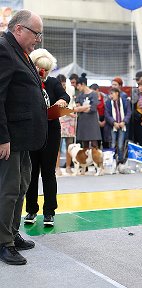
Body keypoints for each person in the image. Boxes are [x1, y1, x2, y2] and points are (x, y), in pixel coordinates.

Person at [0, 10, 47, 265]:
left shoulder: (21, 52)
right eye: (35, 33)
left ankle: (12, 232)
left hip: (24, 138)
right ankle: (3, 242)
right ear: (19, 29)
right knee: (7, 191)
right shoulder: (4, 50)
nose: (38, 39)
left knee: (20, 187)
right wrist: (2, 137)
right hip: (10, 139)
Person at [24, 49, 70, 227]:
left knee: (49, 173)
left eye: (45, 69)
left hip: (51, 133)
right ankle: (31, 210)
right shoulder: (27, 83)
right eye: (38, 67)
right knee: (32, 173)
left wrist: (62, 101)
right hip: (32, 132)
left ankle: (49, 212)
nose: (41, 72)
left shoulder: (52, 82)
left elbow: (64, 95)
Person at [55, 74, 76, 176]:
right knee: (57, 146)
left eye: (64, 84)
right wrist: (68, 112)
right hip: (59, 119)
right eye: (61, 85)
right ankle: (57, 167)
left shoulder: (71, 90)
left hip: (70, 120)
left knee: (70, 145)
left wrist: (73, 110)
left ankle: (68, 166)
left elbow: (73, 103)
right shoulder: (54, 90)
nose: (63, 87)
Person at [74, 73, 102, 149]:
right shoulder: (80, 95)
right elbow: (77, 108)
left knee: (94, 144)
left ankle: (96, 160)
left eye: (78, 85)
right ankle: (85, 160)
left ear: (82, 84)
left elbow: (93, 108)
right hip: (83, 121)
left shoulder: (93, 94)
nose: (77, 88)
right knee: (84, 145)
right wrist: (86, 107)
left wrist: (82, 108)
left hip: (92, 122)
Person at [105, 87, 131, 164]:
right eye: (110, 94)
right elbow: (107, 114)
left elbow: (128, 113)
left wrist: (124, 122)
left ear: (117, 93)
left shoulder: (125, 101)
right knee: (112, 144)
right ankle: (111, 161)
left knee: (120, 145)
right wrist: (114, 122)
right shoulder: (108, 102)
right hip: (113, 126)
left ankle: (120, 161)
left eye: (112, 94)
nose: (111, 96)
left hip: (123, 126)